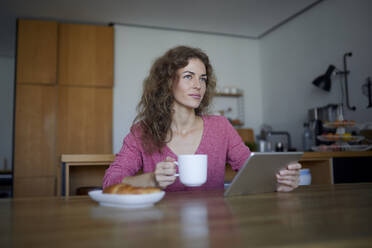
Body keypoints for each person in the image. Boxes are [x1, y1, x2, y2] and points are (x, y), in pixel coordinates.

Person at [103, 45, 301, 192]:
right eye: (189, 76)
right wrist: (152, 180)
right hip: (162, 230)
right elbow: (110, 183)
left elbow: (250, 171)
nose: (198, 85)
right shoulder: (141, 132)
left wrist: (279, 181)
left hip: (215, 227)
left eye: (203, 78)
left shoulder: (220, 127)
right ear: (167, 82)